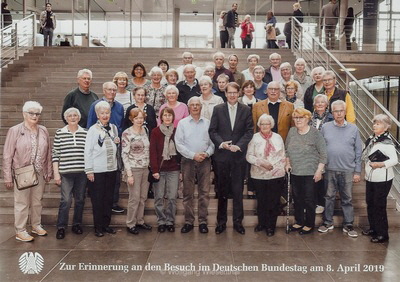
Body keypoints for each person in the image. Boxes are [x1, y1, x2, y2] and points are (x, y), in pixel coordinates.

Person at [3, 101, 52, 242]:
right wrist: (7, 176)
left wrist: (48, 171)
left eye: (37, 113)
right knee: (22, 202)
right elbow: (7, 155)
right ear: (24, 114)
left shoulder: (43, 130)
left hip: (39, 171)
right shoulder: (15, 130)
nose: (35, 116)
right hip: (22, 172)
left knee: (37, 201)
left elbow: (48, 153)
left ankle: (36, 225)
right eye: (31, 113)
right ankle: (20, 230)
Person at [209, 82, 253, 235]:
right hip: (221, 158)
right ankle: (221, 222)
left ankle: (237, 222)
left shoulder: (246, 109)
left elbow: (249, 131)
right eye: (230, 92)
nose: (232, 95)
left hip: (238, 157)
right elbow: (212, 131)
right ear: (225, 94)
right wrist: (221, 143)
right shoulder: (218, 109)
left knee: (237, 191)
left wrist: (239, 145)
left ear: (238, 93)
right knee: (221, 191)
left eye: (235, 92)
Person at [318, 100, 362, 238]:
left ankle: (348, 224)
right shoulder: (325, 127)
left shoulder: (353, 128)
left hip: (348, 170)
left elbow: (358, 151)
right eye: (335, 111)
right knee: (329, 196)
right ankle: (327, 222)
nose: (338, 113)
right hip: (330, 168)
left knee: (347, 198)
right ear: (332, 112)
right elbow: (320, 148)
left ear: (345, 111)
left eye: (341, 111)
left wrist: (357, 171)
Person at [175, 97, 215, 234]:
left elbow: (212, 142)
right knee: (188, 193)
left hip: (205, 160)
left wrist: (207, 153)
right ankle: (188, 222)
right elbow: (179, 144)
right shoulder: (182, 123)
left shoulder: (208, 123)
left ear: (201, 106)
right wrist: (193, 155)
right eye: (192, 105)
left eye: (197, 105)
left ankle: (203, 222)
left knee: (204, 193)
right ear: (188, 107)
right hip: (188, 160)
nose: (195, 107)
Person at [286, 108, 327, 235]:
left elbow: (324, 154)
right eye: (295, 117)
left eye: (301, 117)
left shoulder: (315, 133)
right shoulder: (292, 131)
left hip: (311, 172)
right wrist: (287, 163)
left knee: (309, 200)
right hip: (295, 171)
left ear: (308, 118)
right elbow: (286, 150)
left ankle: (309, 224)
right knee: (297, 199)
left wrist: (319, 171)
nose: (298, 120)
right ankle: (299, 221)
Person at [87, 82, 124, 213]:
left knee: (116, 173)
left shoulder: (119, 107)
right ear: (104, 90)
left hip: (115, 143)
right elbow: (90, 124)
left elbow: (121, 125)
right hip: (99, 148)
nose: (112, 92)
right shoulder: (95, 106)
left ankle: (113, 202)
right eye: (109, 89)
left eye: (114, 90)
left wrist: (117, 138)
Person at [247, 114, 286, 236]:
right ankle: (262, 224)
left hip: (276, 175)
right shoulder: (254, 138)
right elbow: (249, 156)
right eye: (262, 124)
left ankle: (271, 226)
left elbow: (282, 155)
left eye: (267, 124)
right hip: (259, 174)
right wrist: (261, 163)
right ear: (259, 125)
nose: (264, 126)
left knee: (273, 202)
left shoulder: (278, 137)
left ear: (271, 125)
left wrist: (271, 167)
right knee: (262, 201)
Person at [85, 101, 119, 237]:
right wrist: (89, 170)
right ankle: (98, 227)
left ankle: (106, 225)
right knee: (98, 199)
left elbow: (115, 142)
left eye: (107, 113)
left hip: (112, 168)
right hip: (97, 170)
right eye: (102, 113)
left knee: (108, 199)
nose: (105, 115)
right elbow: (88, 151)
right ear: (97, 115)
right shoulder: (93, 130)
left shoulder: (114, 128)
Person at [362, 114, 398, 243]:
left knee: (379, 205)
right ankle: (373, 228)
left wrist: (381, 164)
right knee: (370, 203)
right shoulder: (372, 139)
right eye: (374, 123)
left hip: (383, 178)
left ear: (386, 126)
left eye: (378, 124)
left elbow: (395, 160)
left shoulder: (387, 142)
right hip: (370, 177)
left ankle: (383, 234)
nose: (374, 125)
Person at [53, 108, 87, 240]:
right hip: (66, 173)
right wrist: (56, 173)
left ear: (79, 118)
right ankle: (61, 227)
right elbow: (55, 154)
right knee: (66, 200)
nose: (73, 118)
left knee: (79, 200)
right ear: (66, 118)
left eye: (75, 115)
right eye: (70, 116)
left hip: (82, 173)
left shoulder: (85, 133)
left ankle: (77, 224)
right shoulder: (60, 133)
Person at [150, 107, 180, 233]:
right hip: (160, 169)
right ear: (161, 117)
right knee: (159, 197)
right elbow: (152, 152)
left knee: (172, 196)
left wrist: (181, 169)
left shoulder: (177, 131)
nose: (167, 117)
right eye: (165, 115)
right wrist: (155, 170)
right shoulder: (155, 132)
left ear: (173, 117)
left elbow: (180, 151)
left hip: (174, 169)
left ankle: (170, 221)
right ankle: (161, 221)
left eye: (170, 115)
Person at [122, 108, 152, 235]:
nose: (139, 120)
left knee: (143, 197)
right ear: (131, 119)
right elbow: (124, 154)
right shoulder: (127, 133)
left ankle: (140, 221)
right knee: (134, 198)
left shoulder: (145, 131)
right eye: (136, 118)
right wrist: (129, 174)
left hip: (145, 168)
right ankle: (130, 223)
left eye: (141, 117)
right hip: (133, 169)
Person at [309, 94, 333, 215]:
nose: (319, 105)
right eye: (317, 102)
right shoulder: (308, 117)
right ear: (314, 105)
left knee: (323, 179)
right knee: (313, 178)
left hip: (325, 151)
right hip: (311, 153)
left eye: (322, 102)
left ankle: (321, 202)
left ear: (326, 105)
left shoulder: (331, 118)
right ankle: (312, 202)